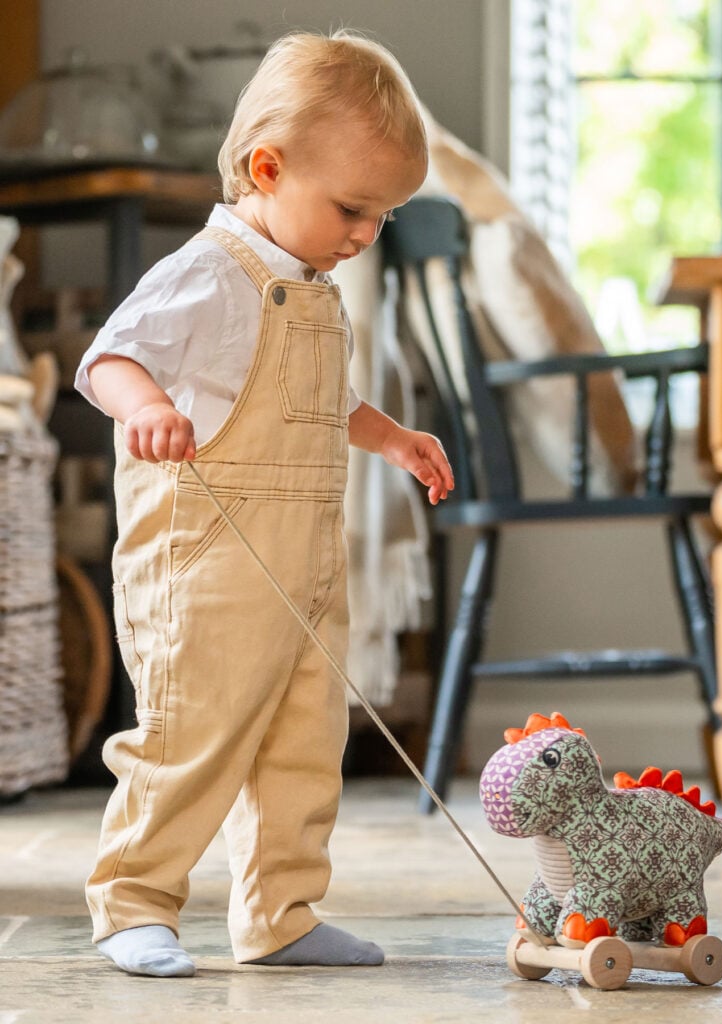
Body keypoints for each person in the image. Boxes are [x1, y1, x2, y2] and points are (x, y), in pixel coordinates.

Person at [75, 31, 453, 979]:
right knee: (188, 734)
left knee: (302, 746)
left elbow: (323, 406)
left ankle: (280, 912)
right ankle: (133, 902)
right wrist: (148, 404)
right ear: (266, 168)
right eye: (353, 209)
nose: (366, 234)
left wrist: (391, 438)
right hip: (206, 564)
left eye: (383, 218)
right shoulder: (207, 273)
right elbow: (109, 358)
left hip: (304, 567)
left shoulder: (313, 287)